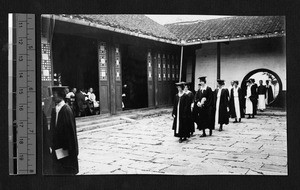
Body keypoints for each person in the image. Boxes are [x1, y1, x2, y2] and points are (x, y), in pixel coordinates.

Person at [48, 86, 79, 175]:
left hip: (65, 148)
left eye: (54, 94)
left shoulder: (66, 110)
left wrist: (70, 150)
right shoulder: (55, 110)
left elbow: (70, 133)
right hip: (56, 147)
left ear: (59, 96)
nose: (52, 96)